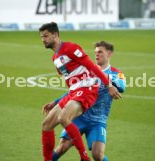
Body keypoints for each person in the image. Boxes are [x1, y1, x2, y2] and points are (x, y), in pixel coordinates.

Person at [39, 22, 121, 161]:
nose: (43, 39)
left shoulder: (71, 48)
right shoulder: (55, 58)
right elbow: (73, 83)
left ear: (55, 35)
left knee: (63, 118)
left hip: (87, 89)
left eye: (46, 36)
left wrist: (108, 85)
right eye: (41, 37)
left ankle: (84, 157)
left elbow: (92, 67)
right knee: (46, 124)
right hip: (75, 92)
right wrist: (56, 102)